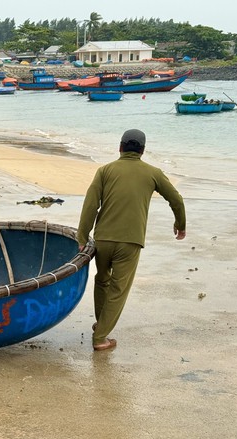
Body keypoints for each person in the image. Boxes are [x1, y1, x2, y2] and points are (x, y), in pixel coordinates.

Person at [77, 129, 186, 351]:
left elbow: (90, 205)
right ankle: (100, 338)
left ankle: (101, 324)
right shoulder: (153, 172)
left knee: (102, 280)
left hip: (103, 239)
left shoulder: (104, 171)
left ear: (120, 147)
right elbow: (176, 199)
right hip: (130, 241)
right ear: (143, 151)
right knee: (119, 288)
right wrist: (180, 225)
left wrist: (82, 236)